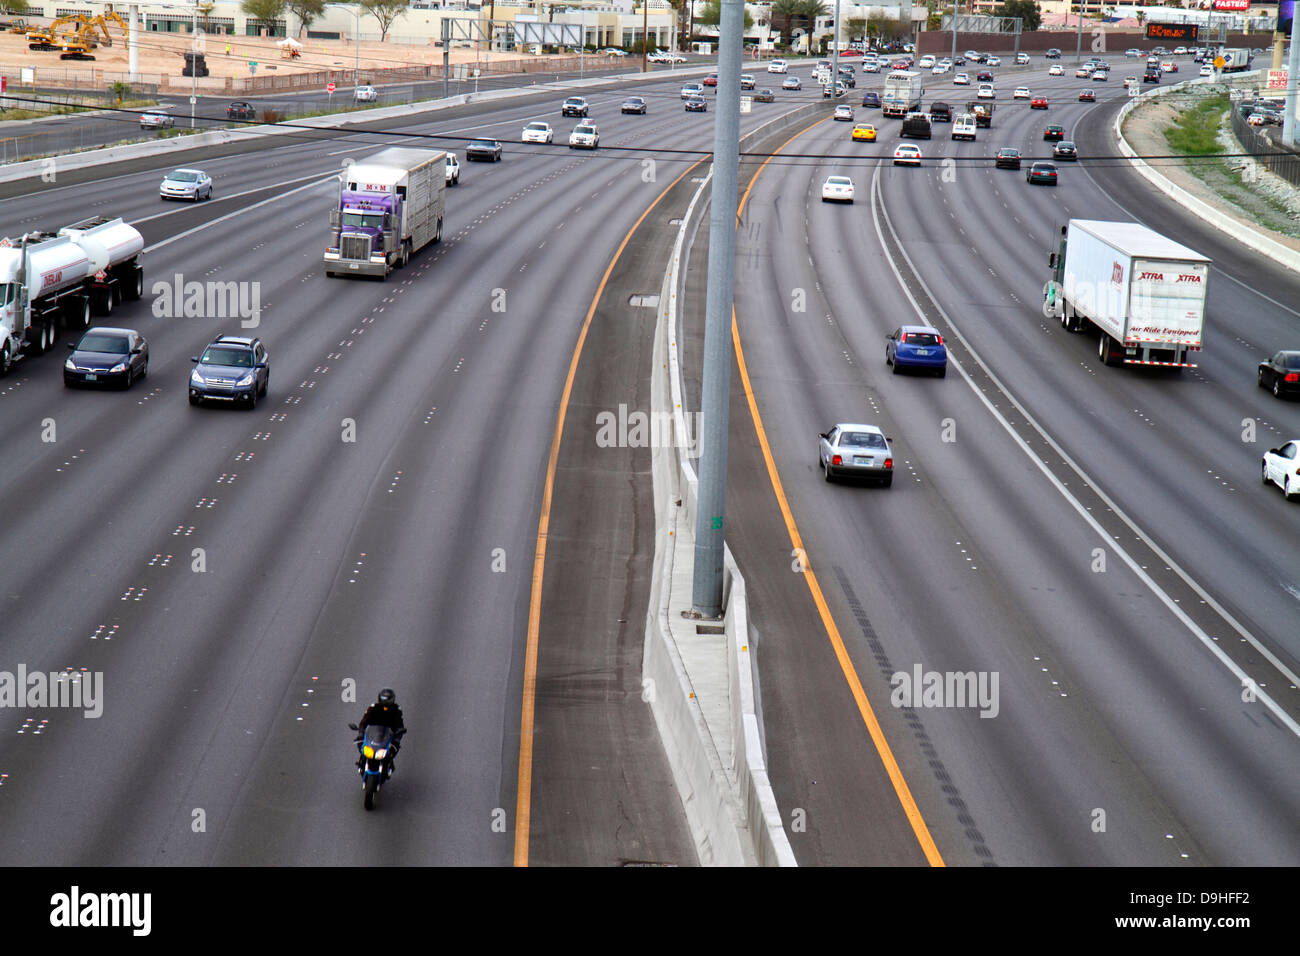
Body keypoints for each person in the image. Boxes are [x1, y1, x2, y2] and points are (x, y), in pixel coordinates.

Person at [355, 689, 405, 775]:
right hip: (372, 734)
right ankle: (362, 761)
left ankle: (389, 764)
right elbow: (364, 721)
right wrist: (361, 732)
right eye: (383, 699)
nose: (385, 702)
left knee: (393, 748)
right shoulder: (373, 707)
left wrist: (398, 735)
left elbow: (399, 724)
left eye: (387, 699)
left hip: (388, 736)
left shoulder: (396, 709)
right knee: (361, 743)